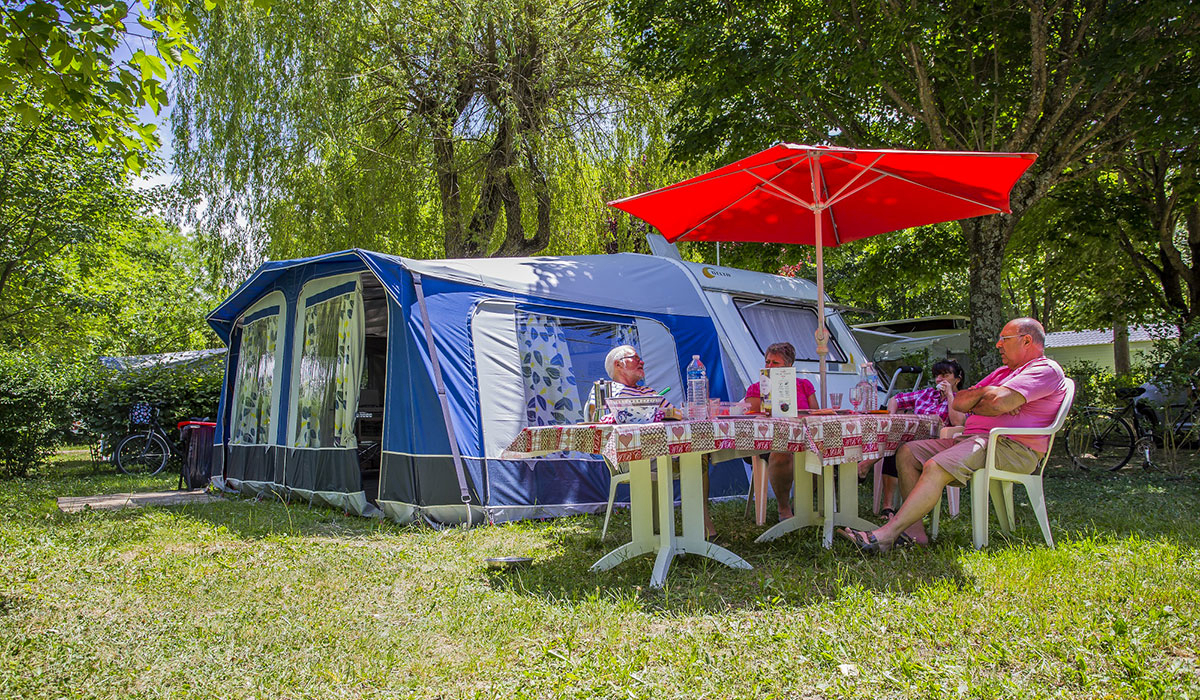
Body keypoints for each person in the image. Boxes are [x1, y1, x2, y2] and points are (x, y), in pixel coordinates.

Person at [838, 318, 1068, 553]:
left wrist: (990, 399)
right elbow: (959, 402)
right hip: (973, 440)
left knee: (935, 466)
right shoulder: (1003, 373)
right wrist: (990, 392)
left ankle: (886, 535)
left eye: (1004, 339)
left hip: (1011, 446)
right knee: (908, 452)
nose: (998, 345)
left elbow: (997, 404)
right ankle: (915, 533)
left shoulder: (1044, 369)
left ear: (1027, 340)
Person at [602, 345, 715, 537]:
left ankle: (699, 524)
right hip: (630, 457)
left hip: (660, 450)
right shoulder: (608, 391)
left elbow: (677, 415)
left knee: (699, 452)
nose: (641, 361)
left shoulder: (647, 391)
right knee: (695, 457)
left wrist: (663, 413)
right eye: (635, 358)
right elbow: (604, 422)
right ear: (618, 365)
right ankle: (696, 528)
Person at [857, 359, 966, 520]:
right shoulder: (928, 393)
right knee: (895, 444)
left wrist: (949, 394)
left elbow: (958, 422)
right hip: (909, 439)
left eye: (945, 375)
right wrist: (892, 419)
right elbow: (895, 399)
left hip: (937, 443)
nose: (939, 379)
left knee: (895, 443)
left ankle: (865, 466)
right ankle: (888, 507)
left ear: (957, 379)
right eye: (937, 375)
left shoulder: (962, 398)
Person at [743, 342, 819, 521]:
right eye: (767, 362)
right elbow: (751, 417)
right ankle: (783, 508)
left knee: (820, 453)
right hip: (768, 440)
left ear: (789, 366)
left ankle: (800, 503)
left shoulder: (804, 385)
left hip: (802, 439)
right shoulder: (756, 388)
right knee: (781, 452)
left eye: (775, 363)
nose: (769, 366)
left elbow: (815, 415)